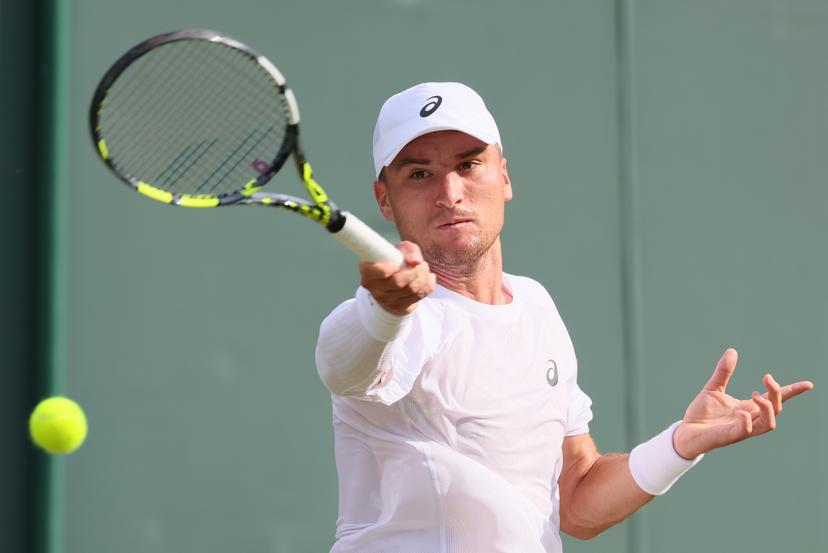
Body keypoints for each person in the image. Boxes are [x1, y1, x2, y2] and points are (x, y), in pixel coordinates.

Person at [314, 82, 814, 553]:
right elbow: (344, 366)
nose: (450, 191)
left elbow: (575, 498)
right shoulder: (394, 323)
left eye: (468, 165)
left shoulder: (535, 306)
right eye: (418, 174)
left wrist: (681, 443)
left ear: (504, 176)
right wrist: (383, 309)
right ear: (385, 198)